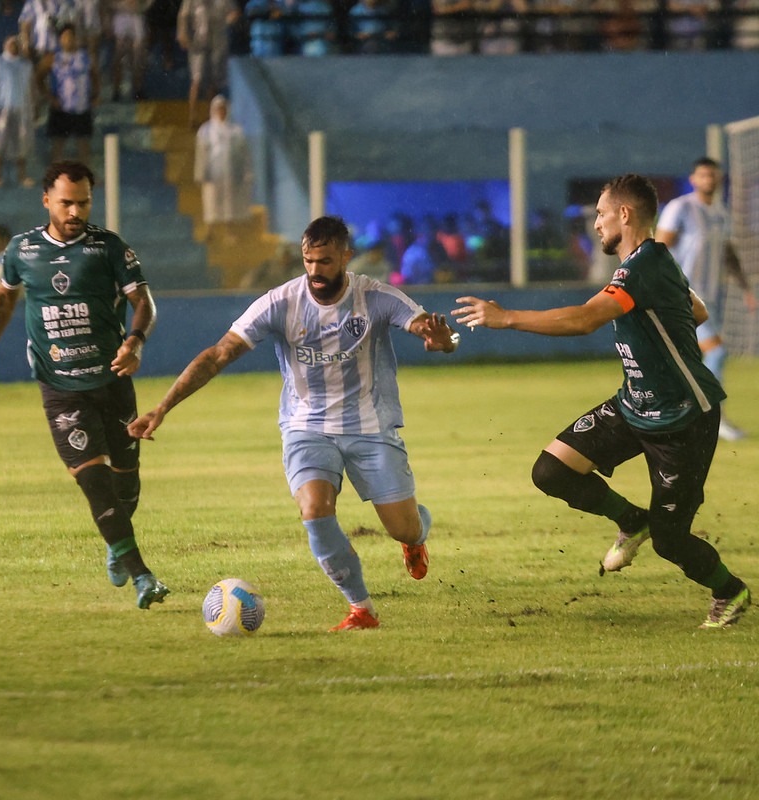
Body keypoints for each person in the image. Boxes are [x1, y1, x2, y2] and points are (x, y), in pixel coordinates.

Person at [128, 215, 460, 631]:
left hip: (370, 428)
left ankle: (416, 539)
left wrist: (443, 340)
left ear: (345, 256)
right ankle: (361, 608)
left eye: (324, 261)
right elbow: (218, 354)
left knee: (403, 528)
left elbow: (427, 328)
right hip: (306, 428)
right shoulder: (280, 303)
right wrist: (162, 407)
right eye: (308, 261)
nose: (315, 271)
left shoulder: (376, 297)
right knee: (314, 508)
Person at [452, 174, 751, 630]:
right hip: (634, 406)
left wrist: (507, 316)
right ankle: (633, 520)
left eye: (600, 213)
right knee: (551, 470)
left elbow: (586, 319)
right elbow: (698, 311)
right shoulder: (649, 262)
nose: (595, 223)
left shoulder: (643, 267)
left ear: (624, 215)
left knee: (672, 543)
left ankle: (731, 592)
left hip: (683, 420)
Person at [0, 161, 169, 610]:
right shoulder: (22, 251)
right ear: (46, 201)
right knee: (93, 480)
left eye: (82, 202)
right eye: (66, 202)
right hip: (59, 385)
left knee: (126, 481)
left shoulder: (109, 248)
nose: (75, 210)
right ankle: (141, 574)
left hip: (113, 380)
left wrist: (135, 341)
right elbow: (3, 297)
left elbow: (144, 304)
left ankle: (116, 542)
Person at [655, 157, 758, 441]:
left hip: (711, 296)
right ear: (693, 179)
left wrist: (746, 288)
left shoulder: (721, 213)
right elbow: (660, 249)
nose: (709, 180)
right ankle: (713, 418)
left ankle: (679, 420)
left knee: (687, 360)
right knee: (717, 352)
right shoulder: (681, 208)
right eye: (703, 175)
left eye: (713, 175)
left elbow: (728, 253)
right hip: (684, 295)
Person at [37, 23, 99, 164]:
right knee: (58, 145)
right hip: (61, 107)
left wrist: (95, 95)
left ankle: (85, 176)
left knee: (83, 144)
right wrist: (49, 97)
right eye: (65, 37)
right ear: (60, 39)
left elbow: (95, 76)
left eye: (71, 37)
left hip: (82, 106)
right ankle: (55, 178)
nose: (69, 40)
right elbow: (38, 78)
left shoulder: (85, 57)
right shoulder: (53, 58)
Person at [177, 0, 241, 127]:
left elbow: (235, 12)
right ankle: (192, 116)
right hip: (198, 42)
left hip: (218, 41)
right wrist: (182, 32)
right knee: (197, 78)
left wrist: (229, 19)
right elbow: (183, 15)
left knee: (214, 81)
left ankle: (212, 116)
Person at [0, 35, 36, 188]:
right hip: (3, 109)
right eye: (11, 44)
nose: (14, 46)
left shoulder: (26, 65)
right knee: (0, 142)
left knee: (22, 142)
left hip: (22, 109)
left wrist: (35, 106)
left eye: (16, 44)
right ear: (5, 45)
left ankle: (22, 176)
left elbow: (32, 88)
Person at [194, 94, 253, 231]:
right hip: (212, 173)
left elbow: (244, 155)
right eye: (218, 109)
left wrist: (246, 172)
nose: (221, 112)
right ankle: (211, 230)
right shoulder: (205, 130)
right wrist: (200, 174)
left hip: (230, 173)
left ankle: (229, 230)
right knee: (211, 202)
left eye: (223, 109)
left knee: (230, 204)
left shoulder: (236, 131)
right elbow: (201, 155)